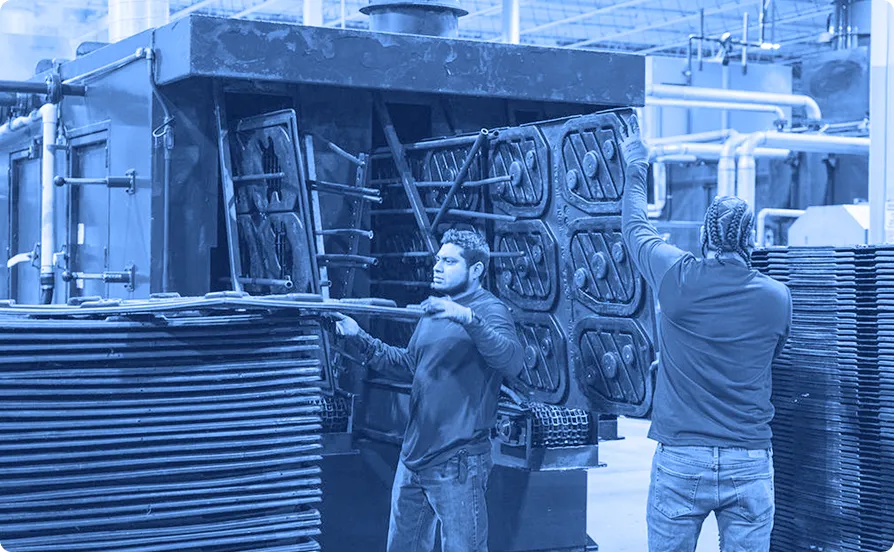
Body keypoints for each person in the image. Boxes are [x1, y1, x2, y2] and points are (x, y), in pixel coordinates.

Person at [619, 114, 792, 552]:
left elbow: (635, 228)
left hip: (681, 458)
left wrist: (636, 167)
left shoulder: (676, 278)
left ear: (703, 235)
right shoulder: (777, 298)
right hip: (749, 458)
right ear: (751, 239)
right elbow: (771, 357)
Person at [333, 228, 524, 552]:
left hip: (457, 461)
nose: (437, 266)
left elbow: (512, 361)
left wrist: (468, 319)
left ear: (475, 270)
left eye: (449, 261)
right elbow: (409, 366)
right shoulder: (435, 312)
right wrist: (358, 337)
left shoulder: (490, 310)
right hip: (413, 459)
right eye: (438, 259)